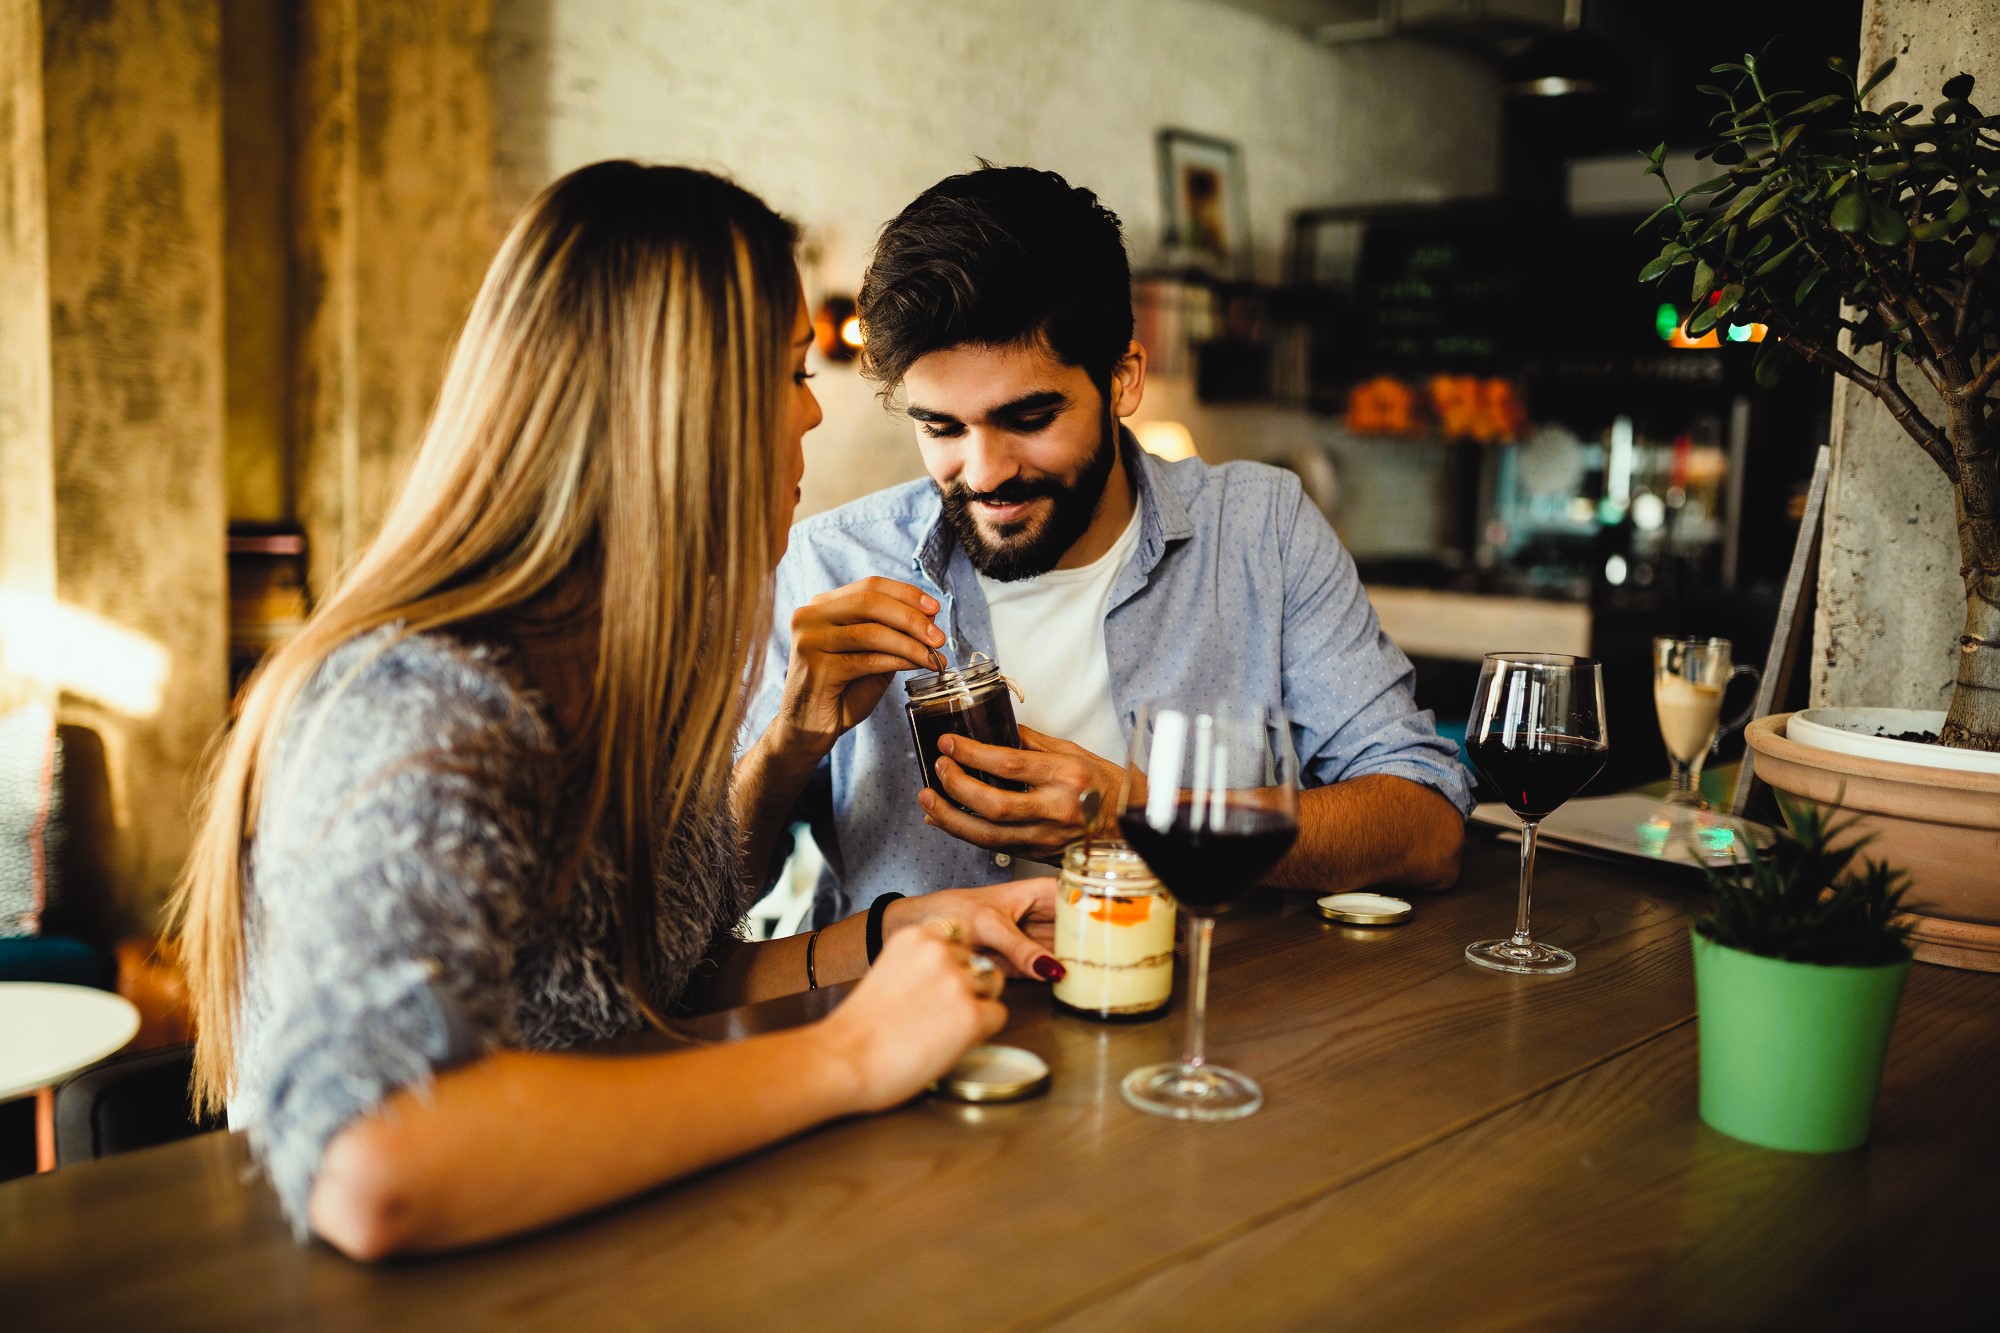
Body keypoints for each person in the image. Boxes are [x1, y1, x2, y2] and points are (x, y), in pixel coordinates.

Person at [170, 162, 1062, 1262]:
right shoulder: (424, 702)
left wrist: (899, 936)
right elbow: (373, 1159)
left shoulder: (619, 673)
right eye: (790, 368)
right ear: (682, 408)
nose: (813, 408)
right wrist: (850, 1059)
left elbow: (656, 987)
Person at [737, 166, 1471, 924]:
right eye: (941, 428)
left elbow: (1426, 824)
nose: (985, 473)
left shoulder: (1261, 531)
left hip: (1207, 1029)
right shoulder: (830, 563)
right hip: (918, 1037)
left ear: (1123, 379)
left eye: (1028, 418)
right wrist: (788, 743)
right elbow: (693, 910)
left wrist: (1135, 812)